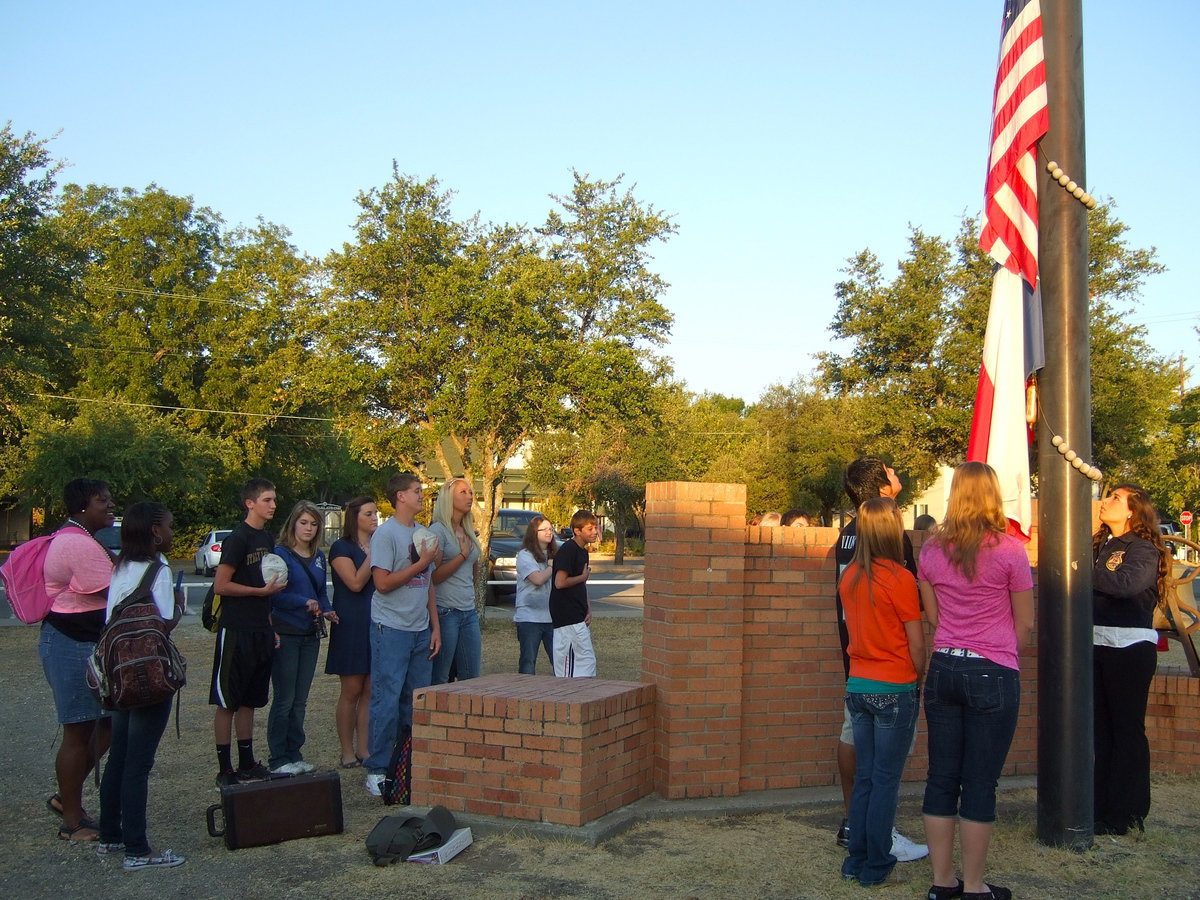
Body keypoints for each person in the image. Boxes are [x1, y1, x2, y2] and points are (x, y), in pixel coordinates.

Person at [917, 461, 1034, 900]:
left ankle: (942, 883)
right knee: (981, 782)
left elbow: (932, 617)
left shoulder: (930, 550)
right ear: (991, 495)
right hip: (993, 669)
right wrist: (998, 652)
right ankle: (975, 886)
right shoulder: (1009, 551)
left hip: (944, 665)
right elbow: (1026, 623)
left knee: (942, 777)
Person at [833, 457, 926, 862]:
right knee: (884, 769)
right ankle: (877, 838)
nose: (897, 473)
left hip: (859, 661)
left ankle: (855, 825)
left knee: (857, 741)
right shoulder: (888, 545)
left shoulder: (849, 537)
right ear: (882, 484)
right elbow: (911, 620)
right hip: (890, 670)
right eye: (891, 469)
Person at [96, 501, 185, 869]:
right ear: (154, 532)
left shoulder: (120, 566)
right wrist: (179, 607)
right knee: (139, 762)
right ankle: (137, 848)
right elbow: (162, 625)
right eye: (169, 526)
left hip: (119, 674)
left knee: (119, 755)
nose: (172, 532)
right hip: (148, 675)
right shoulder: (158, 570)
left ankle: (110, 835)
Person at [40, 478, 117, 841]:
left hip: (86, 643)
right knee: (78, 731)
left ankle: (65, 797)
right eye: (103, 501)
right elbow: (117, 590)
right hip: (70, 644)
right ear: (84, 506)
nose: (111, 506)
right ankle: (72, 822)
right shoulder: (75, 543)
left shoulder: (85, 540)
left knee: (106, 727)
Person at [1092, 483, 1169, 836]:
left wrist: (1079, 570)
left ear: (1133, 511)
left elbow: (1124, 585)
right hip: (1095, 645)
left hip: (1129, 648)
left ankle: (1127, 812)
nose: (1106, 502)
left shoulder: (1143, 549)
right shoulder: (1098, 545)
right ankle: (1099, 807)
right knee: (1100, 731)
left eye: (1116, 499)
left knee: (1126, 731)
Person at [363, 473, 442, 797]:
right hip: (390, 628)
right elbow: (381, 583)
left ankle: (409, 763)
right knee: (387, 700)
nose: (421, 495)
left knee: (417, 701)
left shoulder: (421, 533)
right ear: (399, 496)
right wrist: (421, 562)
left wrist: (435, 626)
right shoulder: (386, 535)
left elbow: (429, 584)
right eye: (416, 491)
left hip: (420, 629)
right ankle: (378, 768)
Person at [210, 478, 286, 787]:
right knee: (228, 699)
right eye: (267, 500)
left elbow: (266, 589)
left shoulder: (266, 537)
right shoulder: (238, 538)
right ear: (250, 503)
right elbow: (221, 585)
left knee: (250, 701)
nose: (273, 505)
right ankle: (225, 767)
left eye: (274, 499)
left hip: (260, 629)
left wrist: (270, 626)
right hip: (236, 629)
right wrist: (258, 591)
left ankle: (247, 761)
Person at [268, 500, 336, 775]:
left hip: (310, 633)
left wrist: (328, 609)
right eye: (304, 522)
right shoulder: (280, 555)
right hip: (286, 631)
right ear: (293, 523)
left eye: (314, 523)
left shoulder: (318, 556)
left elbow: (320, 591)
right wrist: (302, 602)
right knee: (284, 698)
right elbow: (274, 593)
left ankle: (295, 753)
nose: (308, 528)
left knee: (300, 699)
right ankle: (278, 758)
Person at [325, 495, 379, 768]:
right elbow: (355, 583)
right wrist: (372, 554)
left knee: (370, 688)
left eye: (376, 513)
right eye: (368, 514)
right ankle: (346, 751)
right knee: (351, 689)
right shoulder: (340, 548)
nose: (374, 518)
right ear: (354, 517)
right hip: (351, 623)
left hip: (376, 621)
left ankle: (364, 749)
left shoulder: (379, 544)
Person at [429, 477, 482, 684]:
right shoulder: (438, 531)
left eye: (470, 492)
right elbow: (433, 576)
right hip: (445, 611)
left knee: (471, 675)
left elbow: (473, 565)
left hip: (468, 611)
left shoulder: (468, 530)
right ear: (447, 497)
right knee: (441, 676)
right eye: (463, 492)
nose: (469, 496)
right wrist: (461, 556)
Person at [549, 509, 599, 677]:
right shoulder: (568, 550)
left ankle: (583, 700)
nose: (595, 532)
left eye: (596, 528)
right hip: (566, 617)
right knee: (569, 668)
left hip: (578, 614)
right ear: (577, 531)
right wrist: (582, 577)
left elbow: (581, 583)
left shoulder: (583, 552)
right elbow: (560, 582)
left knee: (587, 663)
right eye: (590, 529)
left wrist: (588, 608)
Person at [514, 515, 557, 674]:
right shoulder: (525, 555)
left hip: (552, 617)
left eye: (551, 529)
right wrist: (552, 567)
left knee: (559, 661)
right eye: (544, 529)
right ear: (534, 532)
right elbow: (537, 579)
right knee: (528, 662)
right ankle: (525, 696)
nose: (549, 532)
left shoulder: (554, 553)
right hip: (529, 618)